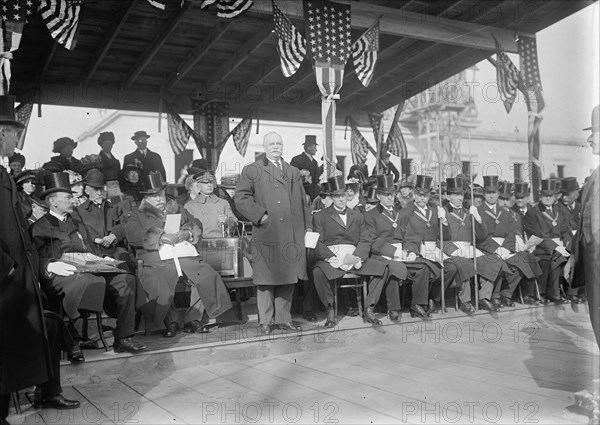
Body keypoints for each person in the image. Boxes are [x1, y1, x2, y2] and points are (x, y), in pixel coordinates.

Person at [1, 95, 78, 424]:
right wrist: (8, 267)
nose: (17, 139)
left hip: (22, 281)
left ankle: (46, 391)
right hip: (6, 282)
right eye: (13, 132)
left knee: (50, 323)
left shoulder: (3, 175)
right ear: (1, 133)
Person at [30, 171, 147, 354]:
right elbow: (33, 257)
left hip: (87, 269)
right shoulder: (40, 226)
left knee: (126, 280)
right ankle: (73, 342)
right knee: (89, 283)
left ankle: (123, 337)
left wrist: (102, 259)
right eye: (68, 197)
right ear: (53, 201)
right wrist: (49, 266)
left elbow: (88, 247)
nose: (73, 200)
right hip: (60, 274)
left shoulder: (77, 222)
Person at [121, 172, 232, 337]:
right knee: (162, 279)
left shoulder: (176, 207)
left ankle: (192, 319)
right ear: (145, 198)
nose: (159, 199)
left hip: (182, 254)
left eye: (160, 195)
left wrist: (187, 232)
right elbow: (133, 235)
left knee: (206, 275)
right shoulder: (135, 214)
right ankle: (170, 321)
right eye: (154, 196)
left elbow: (196, 223)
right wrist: (160, 237)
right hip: (155, 257)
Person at [235, 132, 310, 334]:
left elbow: (303, 201)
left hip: (291, 232)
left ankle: (284, 319)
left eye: (279, 143)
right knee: (266, 279)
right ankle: (265, 321)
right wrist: (261, 217)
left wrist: (307, 227)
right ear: (265, 147)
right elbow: (241, 197)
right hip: (267, 231)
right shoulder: (253, 169)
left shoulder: (293, 171)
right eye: (272, 144)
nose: (276, 147)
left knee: (288, 276)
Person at [311, 176, 387, 328]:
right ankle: (330, 308)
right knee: (317, 272)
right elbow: (317, 241)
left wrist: (358, 256)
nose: (341, 199)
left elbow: (365, 239)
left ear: (347, 195)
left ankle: (369, 307)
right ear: (331, 197)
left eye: (343, 195)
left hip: (354, 256)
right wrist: (331, 257)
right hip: (333, 258)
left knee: (382, 268)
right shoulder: (320, 216)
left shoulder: (357, 215)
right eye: (337, 196)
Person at [399, 175, 477, 315]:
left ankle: (434, 297)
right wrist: (413, 250)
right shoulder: (405, 212)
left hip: (433, 249)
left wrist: (444, 222)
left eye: (425, 195)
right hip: (416, 250)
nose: (422, 198)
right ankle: (419, 303)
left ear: (429, 196)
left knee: (451, 268)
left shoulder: (435, 211)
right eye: (419, 194)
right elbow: (403, 235)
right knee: (429, 269)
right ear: (414, 195)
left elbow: (445, 237)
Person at [443, 177, 506, 312]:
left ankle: (484, 297)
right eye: (455, 194)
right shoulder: (444, 212)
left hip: (469, 247)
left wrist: (478, 218)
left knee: (492, 261)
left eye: (461, 194)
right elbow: (439, 238)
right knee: (464, 264)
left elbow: (481, 236)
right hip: (452, 249)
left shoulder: (468, 211)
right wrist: (453, 250)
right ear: (448, 196)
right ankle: (465, 301)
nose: (460, 197)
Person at [363, 175, 420, 323]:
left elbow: (409, 235)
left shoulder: (400, 214)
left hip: (401, 253)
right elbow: (373, 241)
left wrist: (411, 250)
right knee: (391, 266)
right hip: (380, 254)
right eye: (386, 195)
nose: (389, 198)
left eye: (392, 194)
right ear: (379, 196)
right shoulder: (370, 215)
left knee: (421, 267)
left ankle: (418, 304)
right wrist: (394, 252)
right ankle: (391, 308)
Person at [477, 178, 542, 307]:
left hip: (505, 248)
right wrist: (496, 249)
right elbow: (479, 236)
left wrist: (506, 248)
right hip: (486, 249)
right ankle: (494, 296)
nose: (491, 195)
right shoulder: (477, 211)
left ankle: (506, 293)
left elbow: (512, 234)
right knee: (496, 262)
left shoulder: (505, 213)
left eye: (494, 192)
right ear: (484, 193)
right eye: (488, 192)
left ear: (498, 194)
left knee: (524, 258)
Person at [568, 104, 600, 347]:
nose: (589, 139)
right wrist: (573, 256)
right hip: (592, 260)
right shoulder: (595, 176)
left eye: (595, 131)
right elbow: (584, 222)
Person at [524, 179, 572, 304]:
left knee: (577, 255)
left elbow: (566, 231)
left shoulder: (559, 211)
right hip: (540, 247)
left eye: (550, 195)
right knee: (556, 256)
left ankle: (573, 292)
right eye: (545, 195)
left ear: (555, 196)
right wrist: (556, 247)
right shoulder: (532, 213)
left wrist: (567, 245)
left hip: (559, 246)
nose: (548, 198)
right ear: (540, 196)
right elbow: (537, 236)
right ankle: (553, 293)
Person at [184, 170, 238, 238]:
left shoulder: (223, 203)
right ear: (198, 186)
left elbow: (235, 224)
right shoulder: (189, 206)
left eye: (210, 182)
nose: (209, 185)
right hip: (199, 244)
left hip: (220, 243)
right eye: (205, 183)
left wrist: (227, 221)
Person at [290, 135, 320, 202]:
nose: (316, 149)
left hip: (314, 199)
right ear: (308, 147)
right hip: (302, 197)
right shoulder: (297, 160)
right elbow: (292, 178)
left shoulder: (315, 162)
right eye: (315, 147)